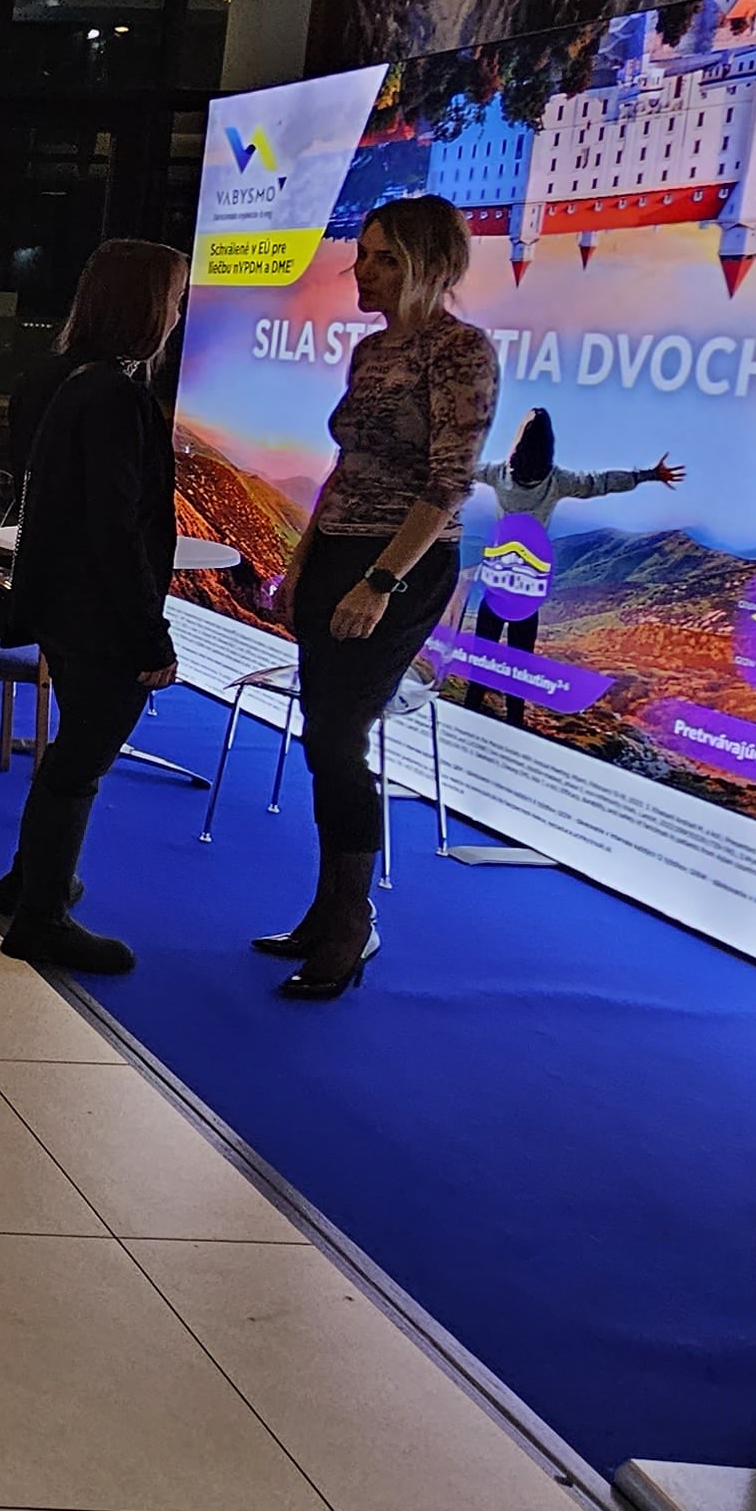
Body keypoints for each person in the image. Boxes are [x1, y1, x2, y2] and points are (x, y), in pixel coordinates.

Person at [263, 193, 498, 999]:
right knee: (321, 730)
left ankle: (350, 922)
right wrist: (303, 561)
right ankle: (327, 910)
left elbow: (448, 484)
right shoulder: (370, 353)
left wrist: (381, 580)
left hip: (401, 565)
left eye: (387, 258)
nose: (365, 272)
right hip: (337, 551)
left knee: (339, 738)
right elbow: (347, 470)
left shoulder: (460, 351)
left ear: (433, 265)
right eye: (363, 255)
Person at [0, 237, 189, 973]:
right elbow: (118, 528)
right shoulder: (117, 398)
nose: (175, 315)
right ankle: (41, 915)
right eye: (171, 299)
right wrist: (150, 637)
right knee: (80, 762)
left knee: (73, 752)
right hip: (100, 611)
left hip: (59, 601)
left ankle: (31, 880)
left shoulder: (59, 381)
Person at [458, 409, 683, 723]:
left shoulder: (498, 474)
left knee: (483, 656)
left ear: (518, 442)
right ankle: (515, 721)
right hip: (528, 584)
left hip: (498, 580)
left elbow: (464, 469)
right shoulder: (556, 481)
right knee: (520, 662)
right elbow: (600, 483)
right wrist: (648, 475)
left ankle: (470, 712)